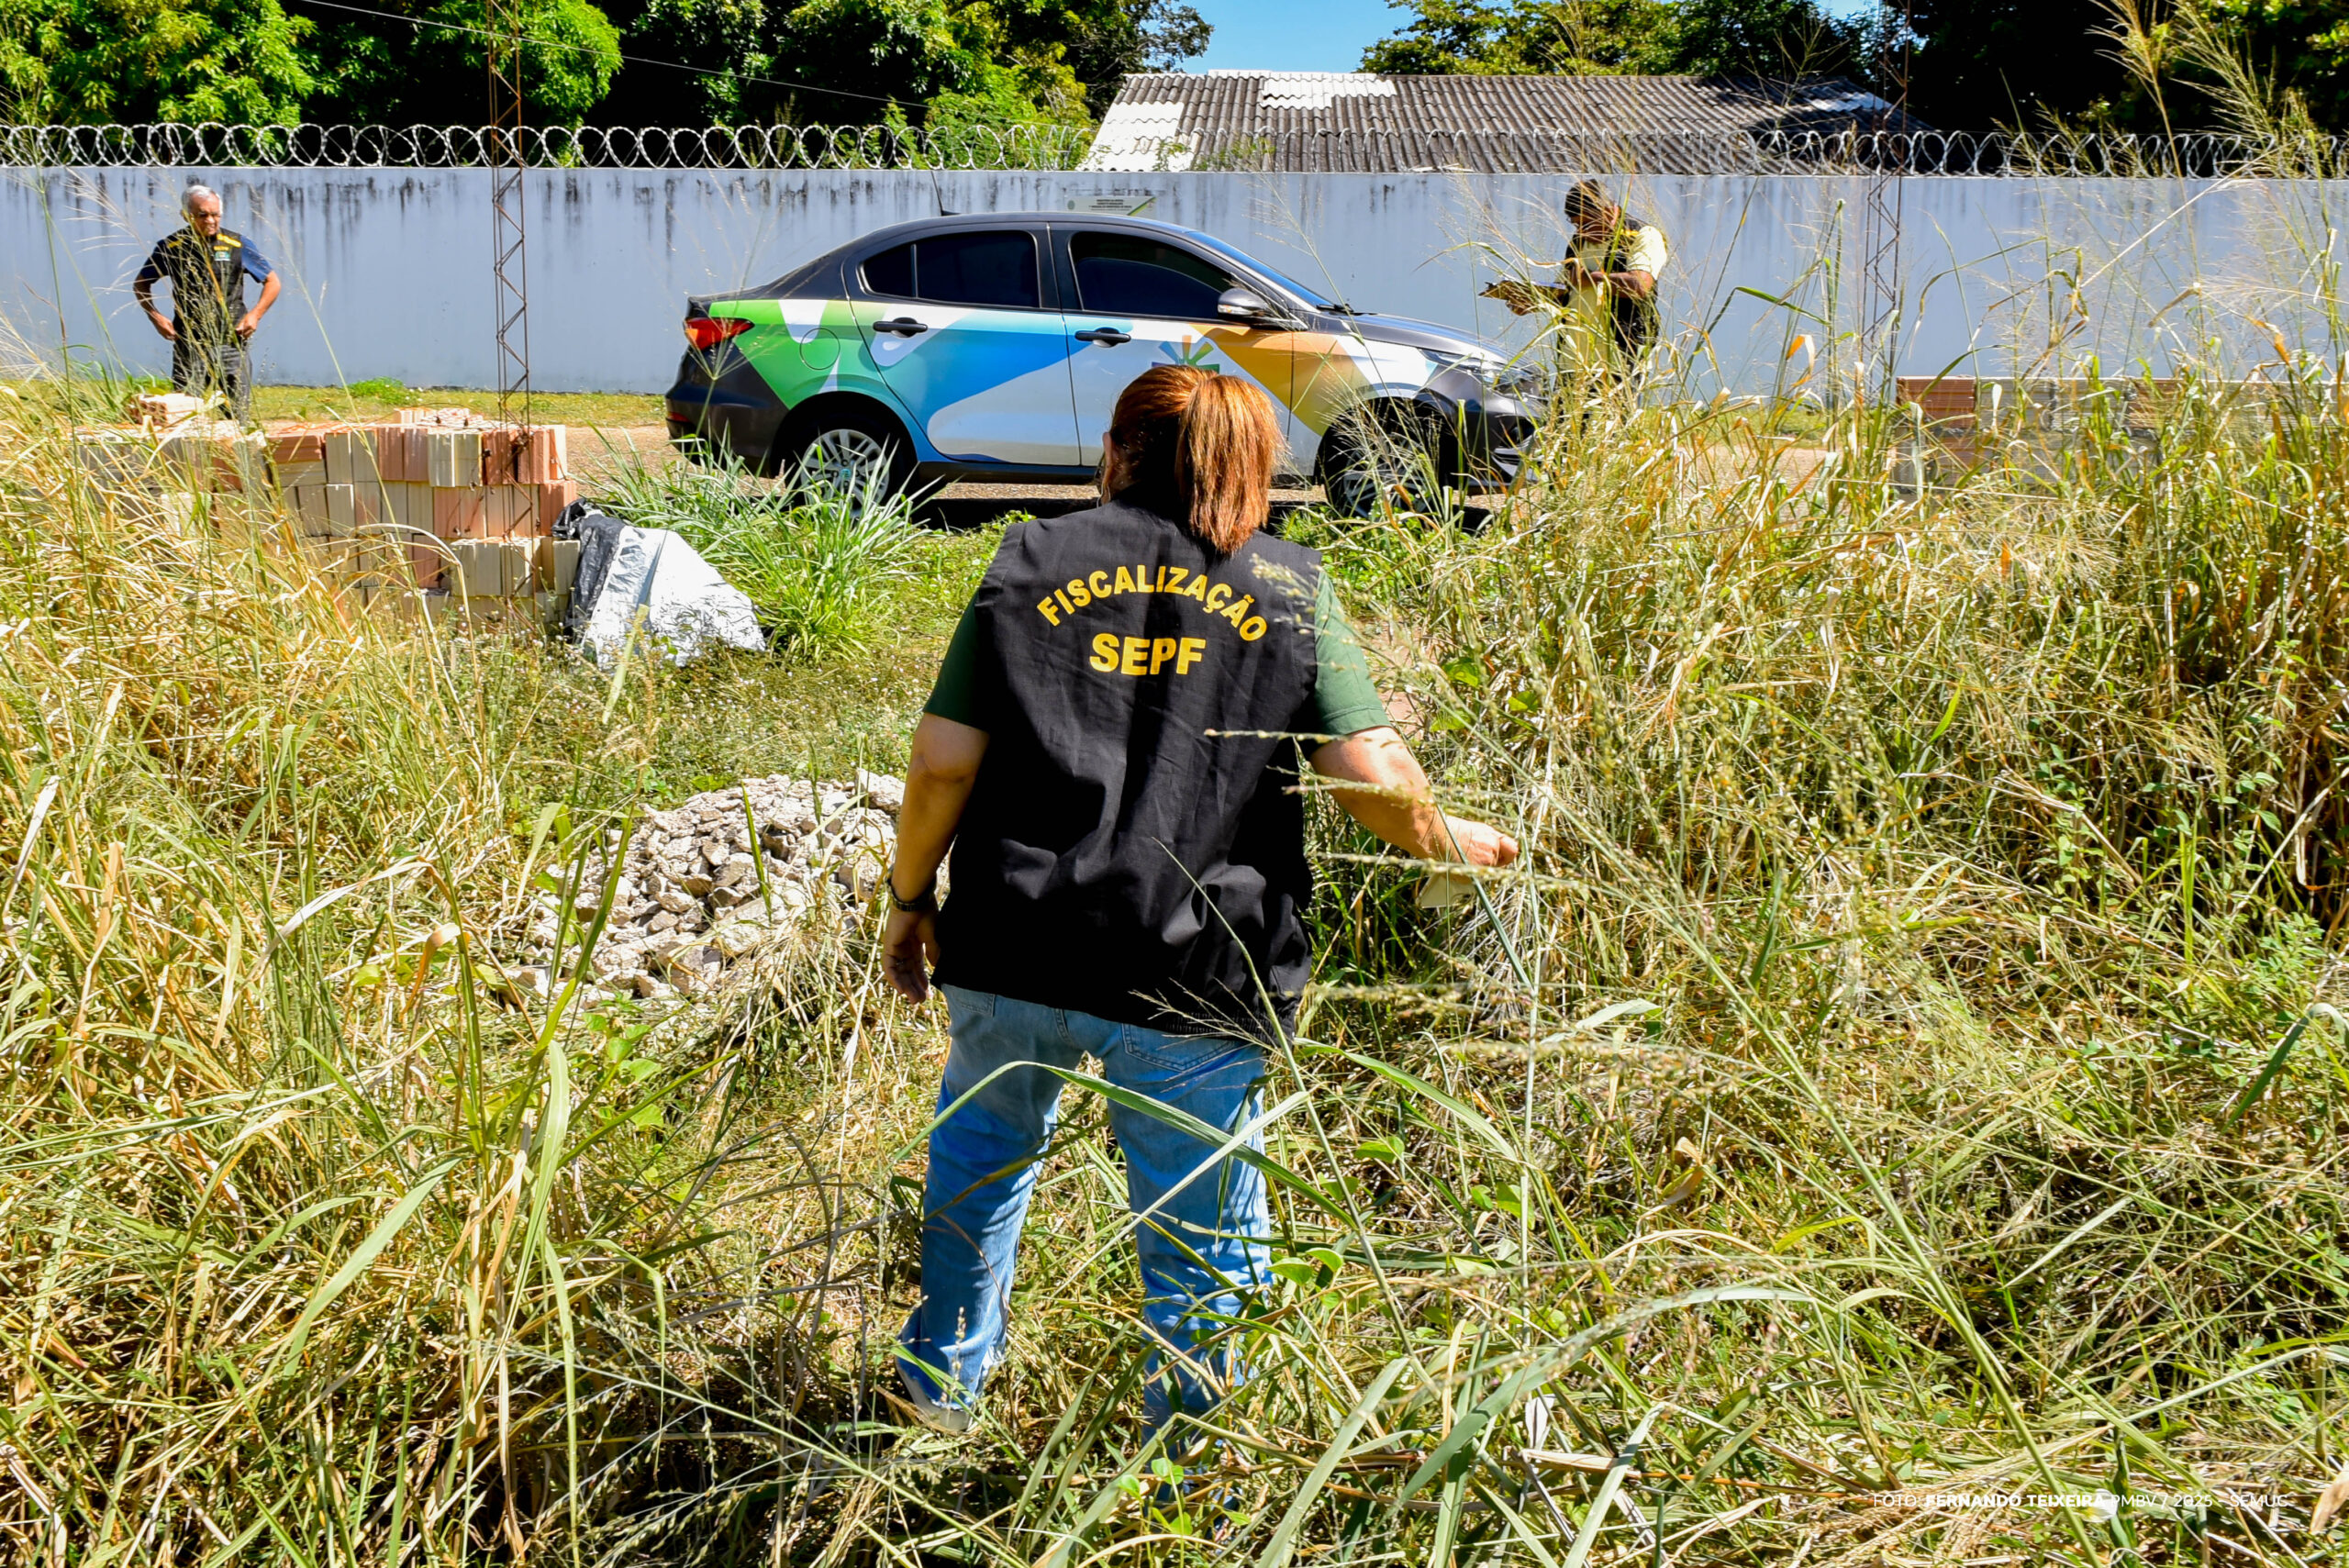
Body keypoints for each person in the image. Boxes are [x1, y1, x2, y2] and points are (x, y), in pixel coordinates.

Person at [881, 364, 1518, 1438]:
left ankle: (937, 1401)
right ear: (1250, 466)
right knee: (1200, 1227)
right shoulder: (1288, 583)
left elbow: (943, 759)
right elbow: (1363, 767)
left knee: (978, 1171)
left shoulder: (1028, 556)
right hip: (1194, 965)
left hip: (1017, 940)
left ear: (1121, 450)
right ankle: (1188, 1464)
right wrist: (1447, 839)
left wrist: (909, 897)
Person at [1487, 178, 1670, 401]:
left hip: (1619, 358)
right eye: (1576, 225)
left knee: (1613, 430)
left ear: (1609, 210)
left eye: (1587, 222)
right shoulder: (1579, 243)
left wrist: (1592, 278)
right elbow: (1566, 290)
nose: (1582, 230)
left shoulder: (1642, 235)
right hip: (1572, 359)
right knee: (1564, 430)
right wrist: (1533, 300)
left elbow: (1639, 285)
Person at [134, 184, 282, 422]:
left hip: (231, 342)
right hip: (190, 344)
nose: (210, 220)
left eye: (215, 214)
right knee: (183, 415)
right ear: (186, 215)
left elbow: (272, 282)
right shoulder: (171, 247)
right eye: (203, 215)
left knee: (236, 416)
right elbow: (140, 284)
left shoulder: (236, 245)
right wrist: (156, 317)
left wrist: (255, 315)